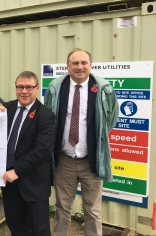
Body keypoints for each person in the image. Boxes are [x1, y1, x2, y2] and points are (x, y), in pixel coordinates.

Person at [44, 49, 119, 236]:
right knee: (62, 207)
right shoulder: (56, 88)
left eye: (83, 63)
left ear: (90, 65)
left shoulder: (104, 89)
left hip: (91, 160)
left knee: (93, 210)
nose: (79, 67)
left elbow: (111, 119)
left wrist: (98, 141)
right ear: (68, 66)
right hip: (64, 160)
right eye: (75, 63)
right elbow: (48, 118)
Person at [0, 71, 55, 236]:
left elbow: (42, 151)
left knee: (39, 229)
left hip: (34, 182)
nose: (24, 91)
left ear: (37, 88)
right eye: (20, 87)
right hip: (9, 182)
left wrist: (16, 171)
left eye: (29, 87)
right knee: (16, 225)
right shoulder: (6, 108)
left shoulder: (45, 116)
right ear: (16, 88)